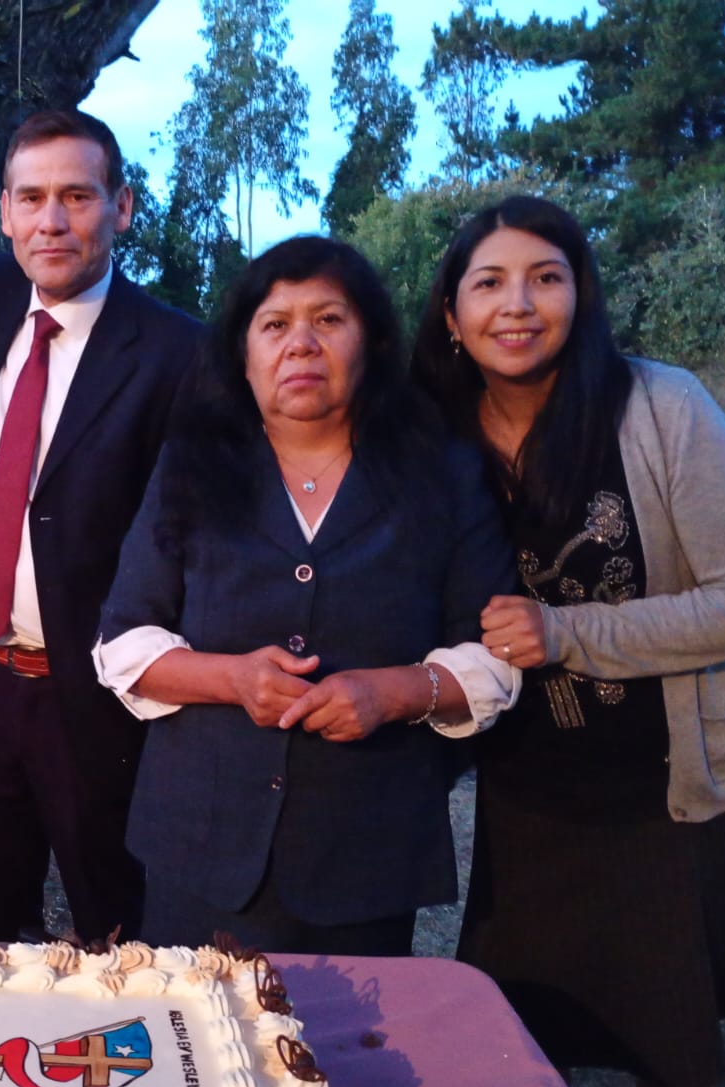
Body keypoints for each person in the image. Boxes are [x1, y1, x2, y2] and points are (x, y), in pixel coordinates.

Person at [409, 195, 725, 1087]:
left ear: (579, 296)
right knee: (525, 1023)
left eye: (546, 277)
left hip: (675, 780)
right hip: (529, 783)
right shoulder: (432, 434)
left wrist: (568, 633)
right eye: (489, 282)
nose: (518, 304)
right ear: (451, 314)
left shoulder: (660, 407)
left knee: (672, 1034)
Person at [94, 236, 518, 953]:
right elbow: (124, 643)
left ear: (372, 343)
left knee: (348, 1026)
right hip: (200, 845)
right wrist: (234, 679)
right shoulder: (192, 467)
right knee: (195, 1021)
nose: (301, 343)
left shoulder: (441, 473)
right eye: (274, 324)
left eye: (328, 319)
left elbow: (493, 659)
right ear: (243, 355)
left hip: (366, 848)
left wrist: (390, 694)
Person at [0, 110, 202, 944]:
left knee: (116, 922)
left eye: (77, 196)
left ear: (121, 206)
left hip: (91, 691)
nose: (51, 221)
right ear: (4, 212)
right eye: (31, 198)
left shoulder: (176, 353)